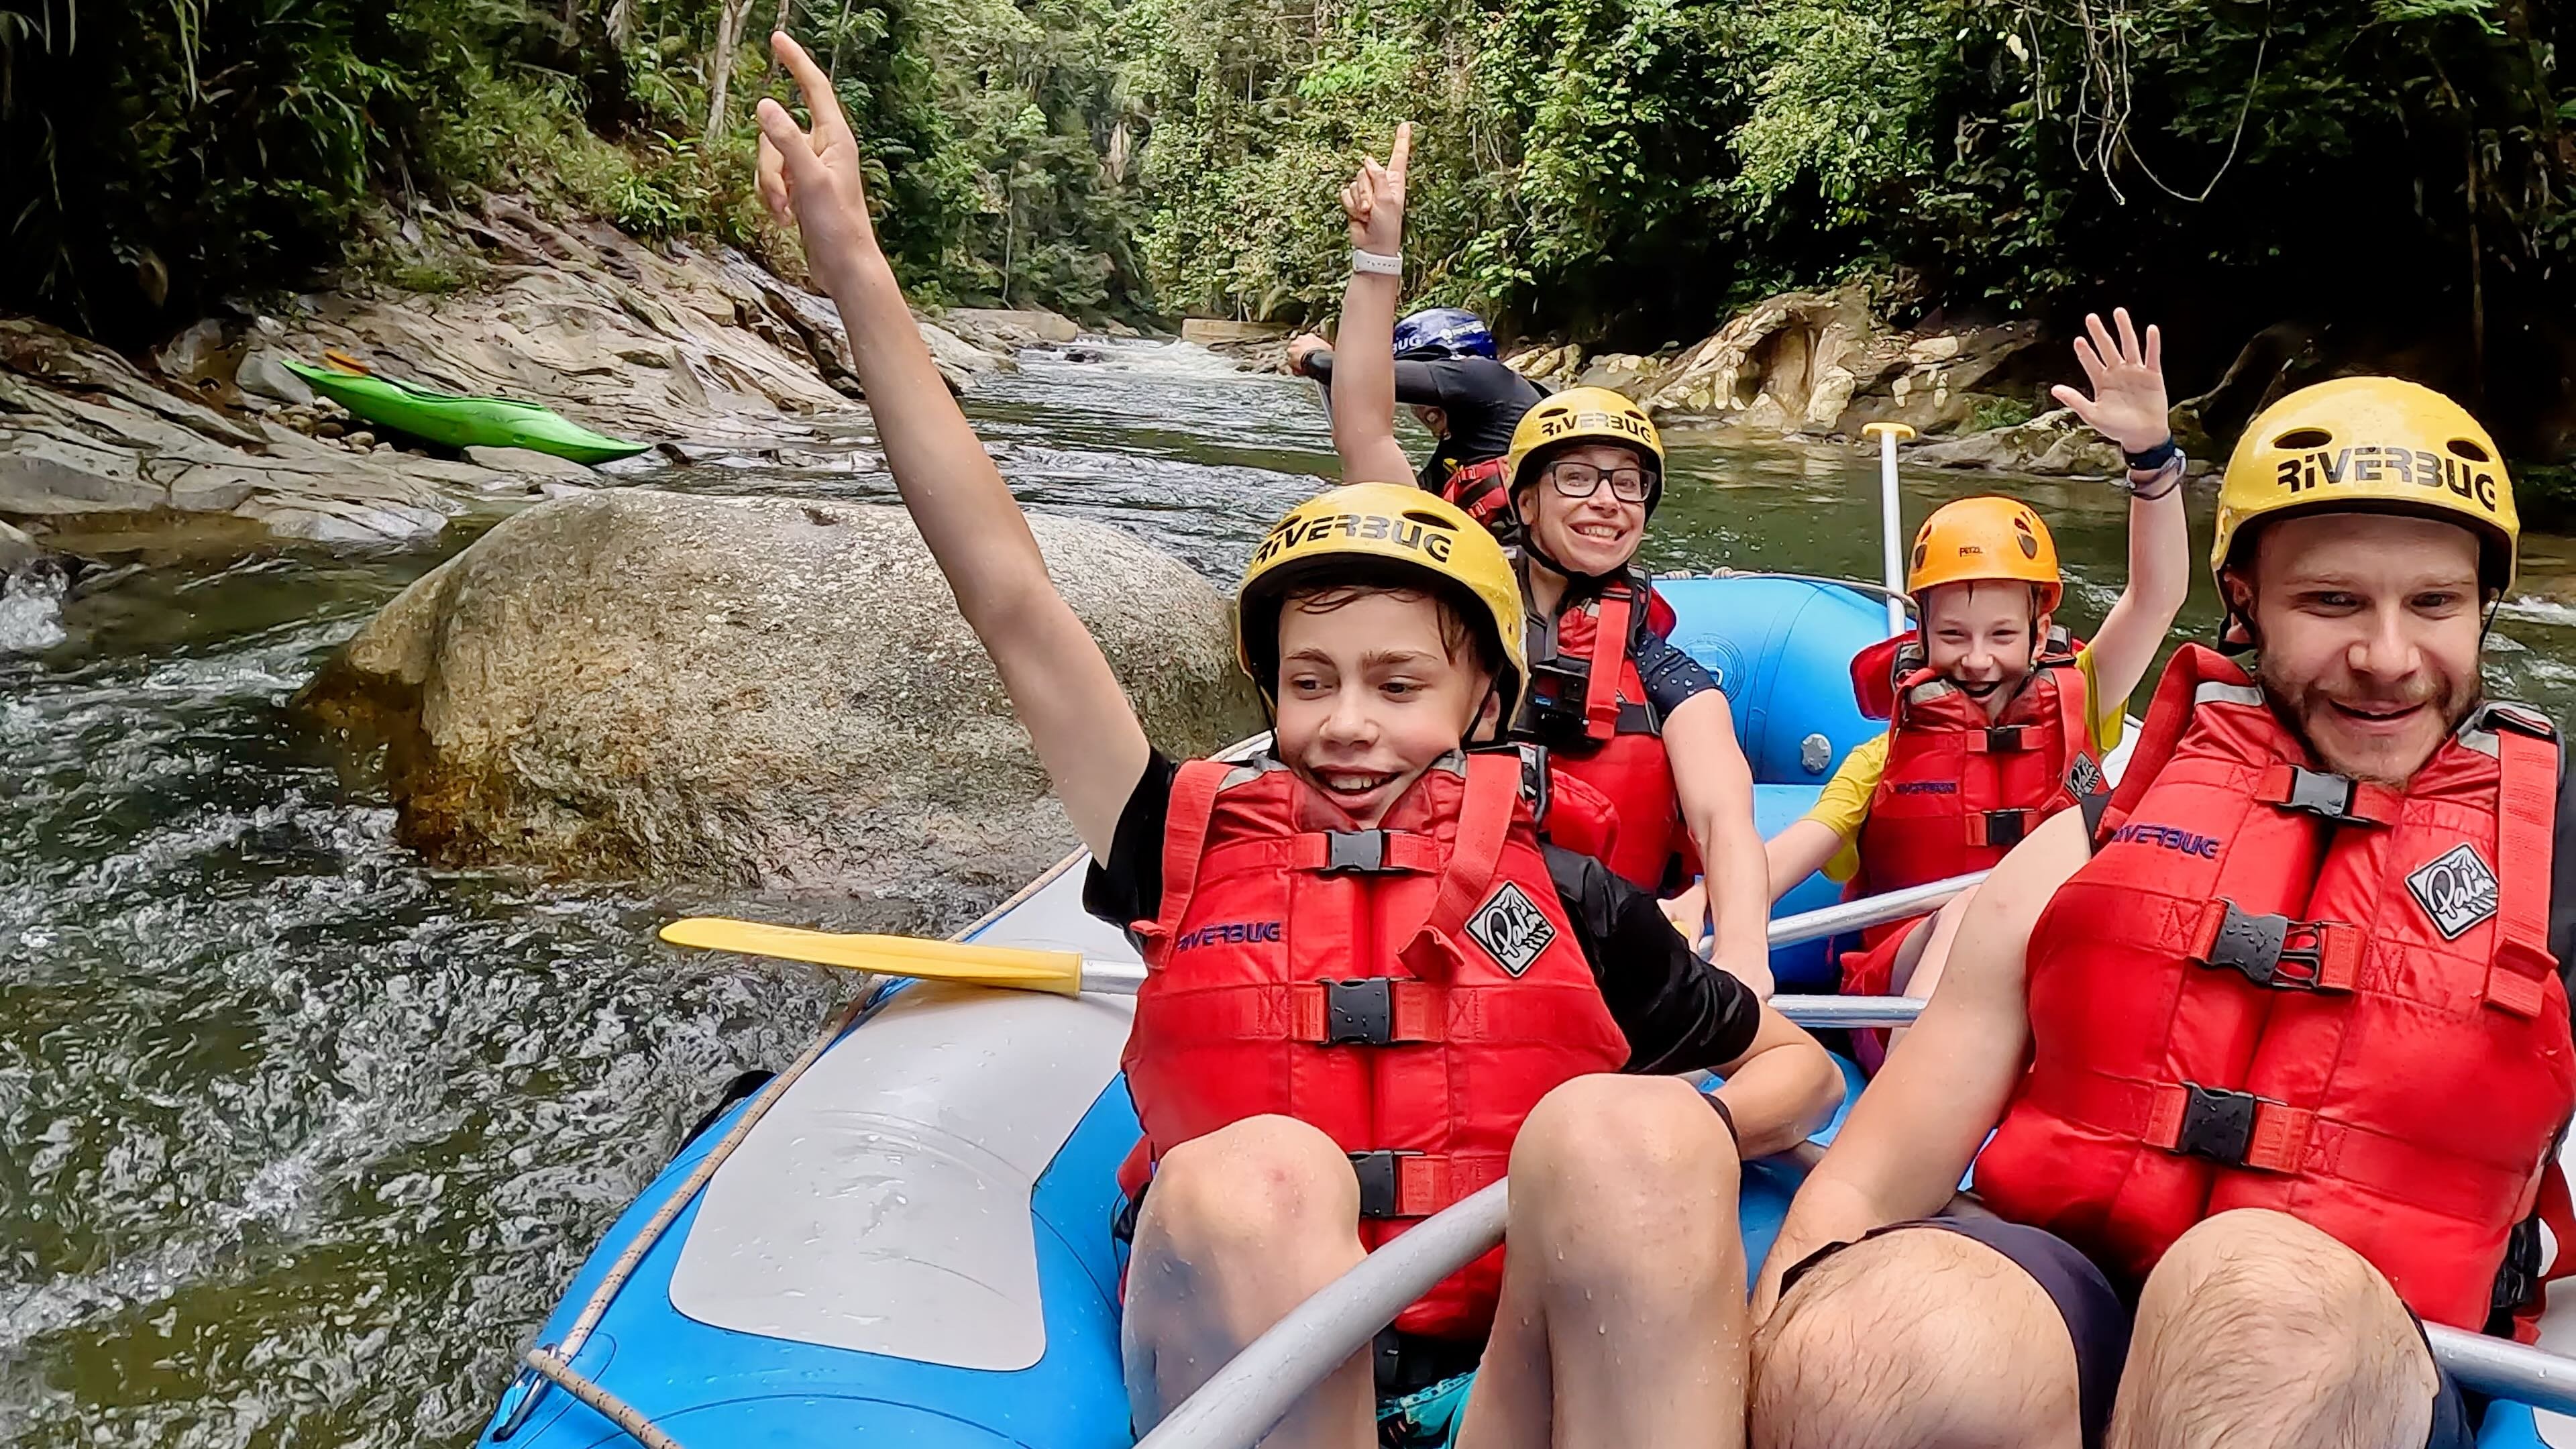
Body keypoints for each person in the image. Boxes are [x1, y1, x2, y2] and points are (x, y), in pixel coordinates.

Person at [753, 65, 1844, 1449]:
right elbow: (1010, 598)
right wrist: (849, 254)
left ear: (1481, 707)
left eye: (1399, 685)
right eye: (1310, 681)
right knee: (1260, 1176)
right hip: (1248, 1377)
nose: (1346, 724)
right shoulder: (1170, 835)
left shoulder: (1562, 897)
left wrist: (1596, 1173)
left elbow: (1799, 1074)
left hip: (1487, 1383)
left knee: (1638, 1131)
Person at [1746, 375, 2576, 1449]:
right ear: (2245, 600)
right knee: (1894, 1335)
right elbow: (1869, 1177)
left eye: (2434, 604)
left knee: (2251, 1297)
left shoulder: (2558, 859)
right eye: (2331, 603)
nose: (2387, 657)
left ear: (2482, 610)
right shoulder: (2105, 825)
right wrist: (1793, 1346)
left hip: (2366, 1351)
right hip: (2075, 1295)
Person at [1311, 145, 1777, 994]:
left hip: (1595, 949)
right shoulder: (1456, 601)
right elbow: (1366, 432)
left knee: (1803, 1085)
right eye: (1576, 478)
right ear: (1523, 503)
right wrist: (1377, 260)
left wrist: (1742, 947)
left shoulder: (1663, 668)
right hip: (1443, 936)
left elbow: (1723, 813)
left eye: (1628, 484)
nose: (1606, 501)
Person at [1754, 311, 2190, 1034]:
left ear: (2042, 630)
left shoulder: (2088, 694)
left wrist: (2150, 456)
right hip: (1906, 991)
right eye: (1953, 635)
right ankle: (1922, 1099)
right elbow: (1791, 855)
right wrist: (1702, 908)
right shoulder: (1880, 760)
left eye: (2002, 635)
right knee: (1973, 911)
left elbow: (2159, 595)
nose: (1978, 659)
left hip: (2049, 977)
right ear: (1919, 633)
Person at [1287, 308, 1546, 533]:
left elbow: (1358, 377)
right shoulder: (1453, 455)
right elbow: (1405, 505)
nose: (1420, 410)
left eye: (1422, 388)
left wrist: (1313, 356)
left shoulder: (1482, 375)